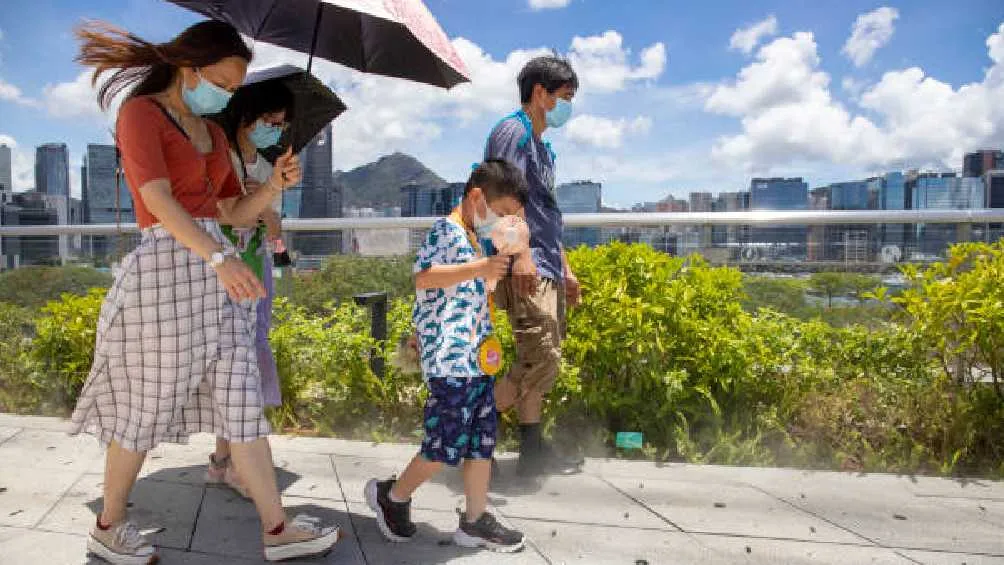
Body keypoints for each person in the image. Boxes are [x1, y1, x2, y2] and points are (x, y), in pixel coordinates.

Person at [68, 20, 340, 564]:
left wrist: (270, 186)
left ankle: (277, 528)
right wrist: (217, 257)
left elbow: (229, 212)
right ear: (188, 70)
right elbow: (159, 200)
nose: (230, 95)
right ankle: (107, 525)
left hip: (217, 272)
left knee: (242, 400)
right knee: (146, 406)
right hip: (170, 269)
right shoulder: (141, 114)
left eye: (235, 88)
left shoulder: (214, 134)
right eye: (224, 83)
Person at [365, 160, 529, 552]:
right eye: (502, 212)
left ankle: (474, 521)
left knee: (480, 443)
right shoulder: (447, 229)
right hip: (451, 360)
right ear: (477, 197)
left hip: (476, 358)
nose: (503, 222)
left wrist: (491, 266)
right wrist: (481, 267)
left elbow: (456, 293)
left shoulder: (475, 237)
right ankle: (394, 496)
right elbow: (424, 277)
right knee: (445, 441)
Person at [484, 56, 582, 477]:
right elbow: (497, 196)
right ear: (539, 92)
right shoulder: (513, 132)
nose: (567, 107)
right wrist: (521, 255)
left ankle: (531, 449)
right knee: (541, 354)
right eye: (564, 98)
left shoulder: (544, 149)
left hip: (545, 261)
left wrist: (566, 269)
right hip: (524, 262)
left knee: (539, 356)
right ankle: (473, 425)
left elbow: (545, 213)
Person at [207, 79, 294, 498]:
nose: (275, 131)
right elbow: (220, 217)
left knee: (247, 357)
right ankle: (236, 459)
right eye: (270, 121)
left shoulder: (265, 166)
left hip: (255, 268)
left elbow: (272, 222)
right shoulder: (215, 156)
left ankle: (227, 458)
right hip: (221, 271)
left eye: (281, 125)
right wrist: (248, 208)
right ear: (246, 116)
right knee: (232, 362)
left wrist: (262, 208)